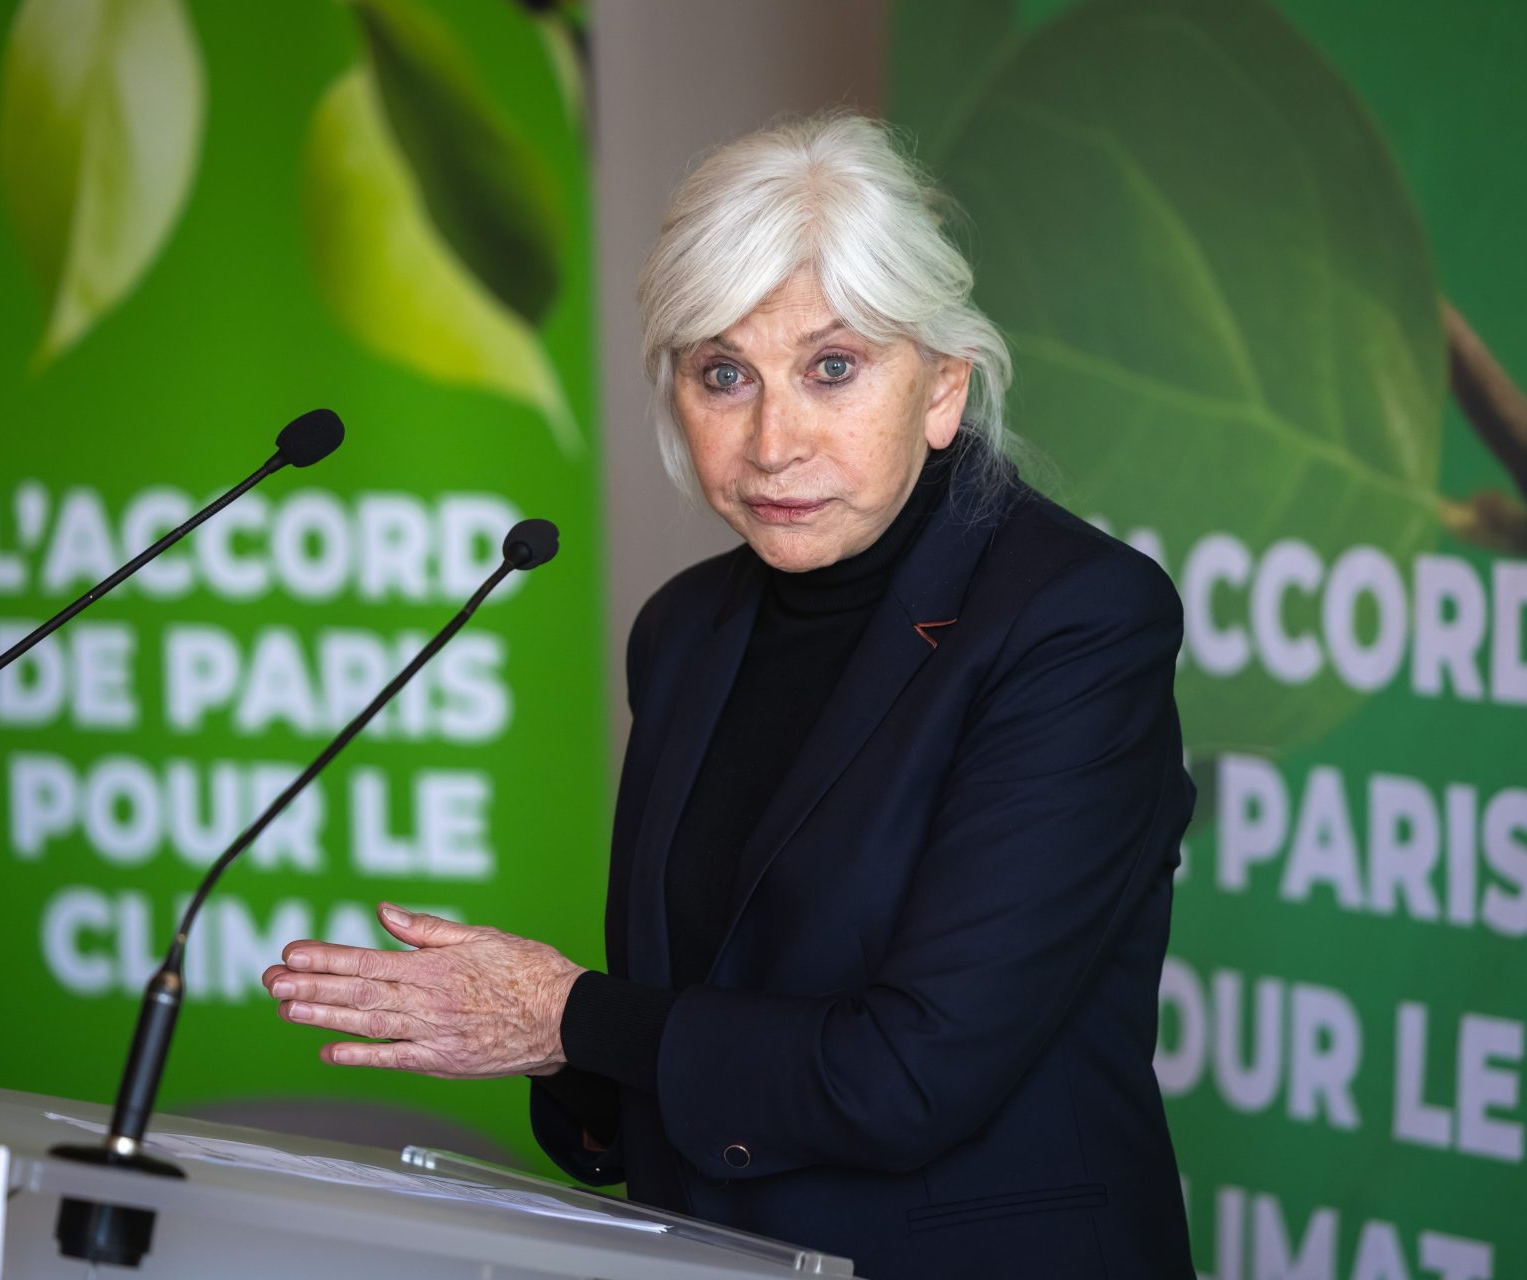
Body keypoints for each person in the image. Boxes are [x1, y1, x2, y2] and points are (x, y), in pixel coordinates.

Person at [263, 111, 1197, 1279]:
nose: (771, 440)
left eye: (833, 368)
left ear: (943, 388)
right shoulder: (687, 630)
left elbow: (915, 1071)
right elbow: (679, 1008)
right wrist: (557, 1048)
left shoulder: (1075, 620)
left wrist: (567, 1015)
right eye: (723, 374)